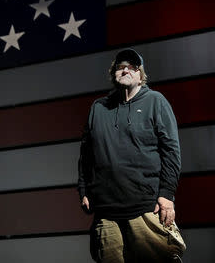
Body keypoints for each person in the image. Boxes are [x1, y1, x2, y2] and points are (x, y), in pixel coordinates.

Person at [78, 49, 186, 262]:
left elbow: (172, 151)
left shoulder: (156, 101)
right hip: (106, 212)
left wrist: (167, 194)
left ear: (140, 74)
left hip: (146, 208)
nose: (126, 69)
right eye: (120, 66)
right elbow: (86, 154)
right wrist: (83, 188)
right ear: (114, 73)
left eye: (132, 66)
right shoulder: (98, 108)